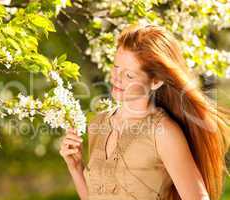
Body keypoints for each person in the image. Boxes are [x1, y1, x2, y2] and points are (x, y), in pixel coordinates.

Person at [59, 24, 230, 200]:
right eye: (116, 67)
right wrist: (76, 168)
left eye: (129, 75)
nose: (117, 78)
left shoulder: (164, 133)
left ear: (155, 81)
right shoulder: (98, 123)